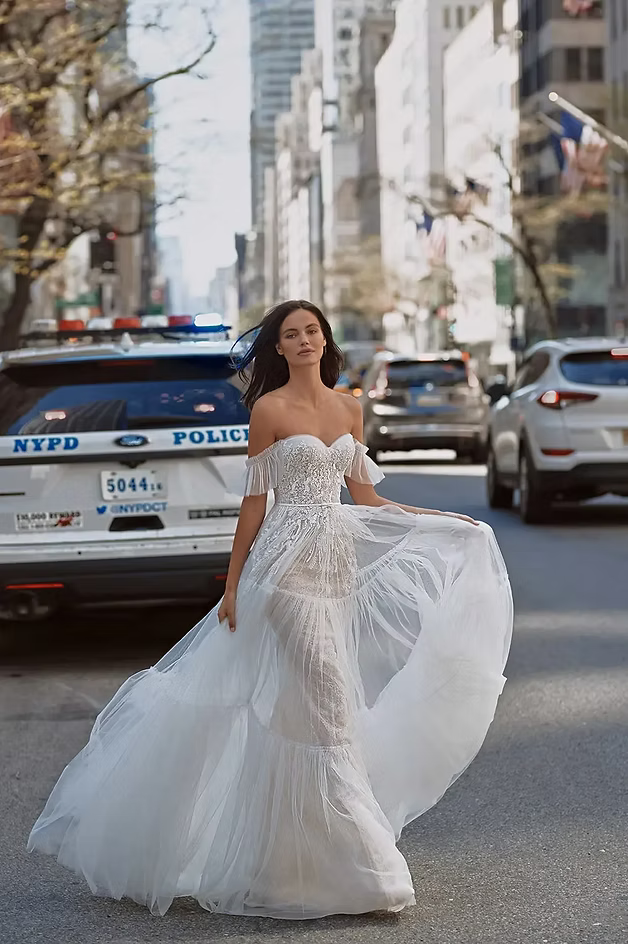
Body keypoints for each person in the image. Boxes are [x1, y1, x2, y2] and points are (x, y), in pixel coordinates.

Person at [27, 299, 513, 920]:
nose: (304, 340)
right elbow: (255, 504)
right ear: (277, 348)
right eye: (292, 334)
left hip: (336, 567)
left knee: (300, 711)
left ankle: (288, 861)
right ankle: (361, 867)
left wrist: (445, 521)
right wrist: (232, 585)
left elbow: (366, 497)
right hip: (283, 571)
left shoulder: (349, 406)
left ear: (324, 340)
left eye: (312, 331)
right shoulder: (269, 410)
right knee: (332, 705)